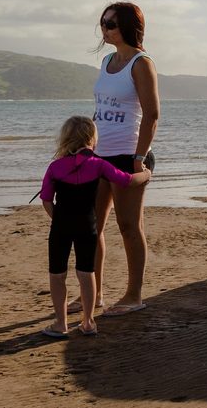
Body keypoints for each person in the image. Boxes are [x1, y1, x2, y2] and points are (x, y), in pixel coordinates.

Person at [39, 116, 149, 337]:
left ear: (65, 139)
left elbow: (46, 199)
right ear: (92, 139)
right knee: (86, 272)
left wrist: (57, 219)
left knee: (57, 274)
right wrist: (145, 174)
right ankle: (88, 322)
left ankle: (60, 324)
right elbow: (126, 180)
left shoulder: (55, 167)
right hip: (87, 225)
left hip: (61, 227)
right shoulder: (99, 164)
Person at [91, 1, 160, 318]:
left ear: (129, 27)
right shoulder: (106, 61)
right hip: (98, 155)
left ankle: (133, 295)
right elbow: (101, 110)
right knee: (92, 226)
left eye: (111, 23)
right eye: (103, 23)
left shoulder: (141, 63)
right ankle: (96, 294)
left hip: (128, 155)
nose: (105, 28)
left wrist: (139, 157)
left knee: (129, 226)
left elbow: (152, 114)